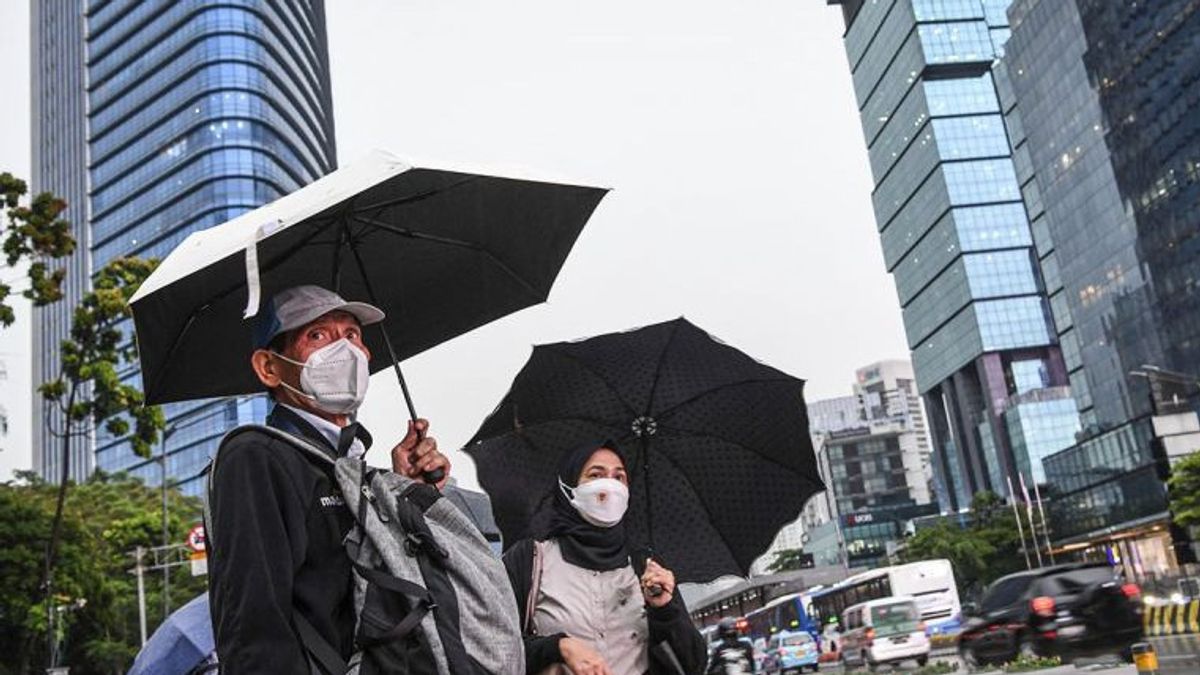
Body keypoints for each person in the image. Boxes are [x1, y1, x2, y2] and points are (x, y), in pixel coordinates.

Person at [207, 285, 451, 673]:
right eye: (317, 335)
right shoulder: (257, 458)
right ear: (269, 367)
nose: (344, 351)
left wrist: (405, 493)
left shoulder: (354, 466)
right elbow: (253, 619)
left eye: (351, 335)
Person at [503, 441, 706, 675]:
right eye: (595, 475)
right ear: (568, 487)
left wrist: (664, 610)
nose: (609, 485)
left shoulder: (645, 566)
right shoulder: (531, 560)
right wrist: (559, 647)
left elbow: (693, 665)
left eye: (618, 477)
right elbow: (494, 645)